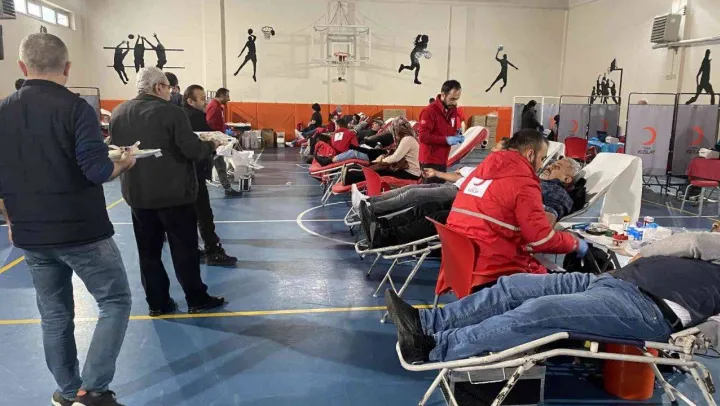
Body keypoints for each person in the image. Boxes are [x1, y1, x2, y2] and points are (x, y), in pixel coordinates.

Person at [0, 33, 135, 406]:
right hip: (82, 231)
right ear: (68, 67)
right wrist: (124, 163)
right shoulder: (76, 108)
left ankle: (67, 390)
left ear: (22, 66)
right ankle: (93, 390)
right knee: (115, 301)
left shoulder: (3, 111)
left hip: (31, 234)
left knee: (54, 315)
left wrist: (11, 219)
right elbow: (97, 171)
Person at [386, 229, 720, 363]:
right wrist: (642, 255)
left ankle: (434, 347)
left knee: (542, 312)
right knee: (515, 286)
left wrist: (699, 335)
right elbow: (692, 243)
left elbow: (716, 325)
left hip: (646, 308)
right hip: (612, 280)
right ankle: (426, 321)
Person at [110, 67, 227, 317]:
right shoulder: (171, 112)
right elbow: (191, 150)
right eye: (168, 87)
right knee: (184, 250)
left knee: (148, 253)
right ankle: (196, 298)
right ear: (159, 87)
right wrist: (211, 145)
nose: (171, 92)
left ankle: (157, 302)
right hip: (174, 194)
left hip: (138, 194)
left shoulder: (118, 112)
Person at [445, 129, 586, 289]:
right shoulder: (524, 183)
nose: (543, 165)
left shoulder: (482, 170)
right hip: (493, 268)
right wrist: (575, 243)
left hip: (459, 261)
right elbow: (541, 239)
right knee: (573, 287)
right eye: (542, 159)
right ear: (530, 155)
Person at [358, 156, 581, 249]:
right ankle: (382, 226)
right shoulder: (530, 179)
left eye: (558, 166)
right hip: (479, 207)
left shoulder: (558, 194)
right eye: (553, 162)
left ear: (567, 179)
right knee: (429, 207)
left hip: (494, 225)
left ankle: (384, 238)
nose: (551, 165)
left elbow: (545, 223)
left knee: (437, 218)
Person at [351, 139, 509, 215]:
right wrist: (436, 173)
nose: (492, 149)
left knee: (414, 194)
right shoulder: (484, 166)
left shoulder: (499, 172)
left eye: (496, 147)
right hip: (452, 186)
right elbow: (458, 175)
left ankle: (370, 208)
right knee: (410, 188)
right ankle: (368, 201)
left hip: (459, 193)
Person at [181, 84, 239, 267]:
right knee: (204, 213)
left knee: (189, 214)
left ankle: (192, 249)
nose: (204, 102)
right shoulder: (196, 116)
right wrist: (215, 144)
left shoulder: (180, 116)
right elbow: (202, 142)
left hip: (183, 173)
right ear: (190, 101)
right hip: (195, 172)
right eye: (201, 99)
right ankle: (212, 251)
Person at [342, 117, 422, 185]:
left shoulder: (407, 139)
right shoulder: (408, 138)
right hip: (408, 171)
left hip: (410, 173)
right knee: (380, 168)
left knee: (380, 171)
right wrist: (383, 158)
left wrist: (382, 161)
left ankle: (350, 177)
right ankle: (352, 174)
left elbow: (396, 157)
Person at [418, 80, 464, 183]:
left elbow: (449, 128)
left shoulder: (452, 110)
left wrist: (456, 135)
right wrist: (446, 140)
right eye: (452, 99)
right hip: (430, 160)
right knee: (428, 190)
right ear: (443, 95)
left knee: (439, 188)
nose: (454, 102)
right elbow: (423, 137)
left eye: (456, 99)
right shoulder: (429, 111)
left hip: (443, 158)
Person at [205, 88, 240, 196]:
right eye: (227, 96)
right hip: (214, 142)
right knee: (216, 165)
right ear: (221, 96)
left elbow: (217, 123)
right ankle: (227, 188)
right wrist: (217, 138)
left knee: (220, 165)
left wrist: (225, 130)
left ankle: (227, 188)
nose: (229, 99)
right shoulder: (214, 107)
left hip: (217, 141)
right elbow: (209, 124)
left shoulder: (217, 106)